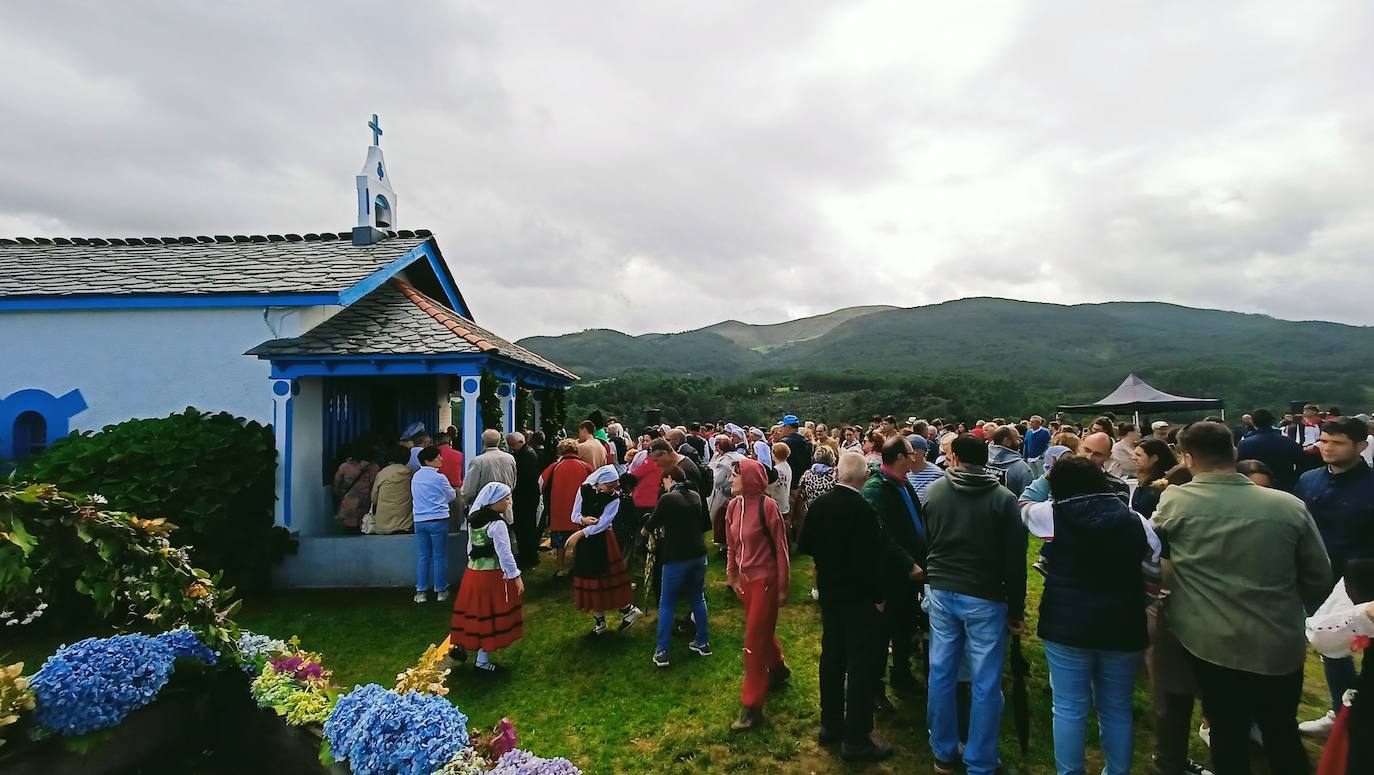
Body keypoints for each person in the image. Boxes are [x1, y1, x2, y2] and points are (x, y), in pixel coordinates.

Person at [1153, 421, 1331, 775]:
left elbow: (1155, 555)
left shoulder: (1176, 500)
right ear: (1234, 453)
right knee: (1280, 728)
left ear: (1186, 458)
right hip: (1278, 638)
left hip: (1211, 641)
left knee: (1227, 728)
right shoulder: (1288, 505)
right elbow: (1319, 575)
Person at [801, 451, 923, 762]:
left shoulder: (821, 505)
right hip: (860, 600)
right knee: (861, 667)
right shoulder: (863, 510)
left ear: (837, 474)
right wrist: (879, 597)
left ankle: (830, 724)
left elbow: (806, 545)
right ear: (863, 477)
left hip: (831, 595)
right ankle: (855, 738)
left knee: (831, 659)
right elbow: (874, 560)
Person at [1037, 457, 1155, 775]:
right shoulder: (1135, 520)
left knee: (1068, 707)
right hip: (1122, 622)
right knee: (1116, 708)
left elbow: (1023, 507)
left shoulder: (1051, 514)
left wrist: (1044, 485)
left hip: (1067, 624)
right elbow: (1154, 559)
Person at [921, 434, 1027, 775]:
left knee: (942, 670)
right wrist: (1016, 608)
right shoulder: (1003, 498)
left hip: (941, 589)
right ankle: (980, 761)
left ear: (953, 457)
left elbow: (928, 540)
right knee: (985, 680)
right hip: (984, 594)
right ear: (986, 459)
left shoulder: (934, 492)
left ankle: (943, 751)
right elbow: (1015, 560)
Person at [1295, 416, 1374, 738]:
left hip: (1360, 581)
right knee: (1331, 647)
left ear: (1361, 447)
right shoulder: (1309, 479)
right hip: (1314, 576)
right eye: (1324, 441)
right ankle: (1339, 713)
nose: (1327, 448)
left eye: (1337, 442)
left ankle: (1360, 715)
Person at [725, 458, 792, 733]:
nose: (730, 479)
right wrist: (731, 574)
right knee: (761, 630)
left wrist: (783, 586)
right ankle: (777, 668)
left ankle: (752, 706)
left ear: (750, 478)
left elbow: (781, 549)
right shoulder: (732, 506)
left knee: (752, 642)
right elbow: (731, 545)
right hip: (745, 582)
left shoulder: (768, 507)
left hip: (765, 581)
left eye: (735, 475)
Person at [861, 435, 929, 699]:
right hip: (890, 573)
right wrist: (907, 562)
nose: (914, 457)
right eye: (911, 453)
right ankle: (875, 688)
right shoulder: (876, 489)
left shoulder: (902, 482)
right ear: (900, 457)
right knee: (882, 631)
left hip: (910, 570)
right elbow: (880, 534)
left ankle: (901, 674)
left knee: (905, 624)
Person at [449, 482, 524, 673]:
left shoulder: (474, 520)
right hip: (490, 576)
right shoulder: (497, 524)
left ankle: (464, 646)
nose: (508, 502)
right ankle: (482, 659)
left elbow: (470, 548)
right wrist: (515, 576)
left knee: (473, 613)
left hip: (473, 573)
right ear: (495, 501)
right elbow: (505, 554)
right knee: (489, 614)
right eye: (506, 499)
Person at [642, 465, 711, 668]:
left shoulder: (668, 499)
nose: (662, 485)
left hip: (676, 557)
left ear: (669, 478)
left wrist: (644, 534)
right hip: (699, 554)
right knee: (698, 598)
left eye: (663, 481)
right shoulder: (695, 496)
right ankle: (703, 642)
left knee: (667, 604)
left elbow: (650, 526)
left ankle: (662, 652)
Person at [564, 465, 644, 635]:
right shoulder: (584, 490)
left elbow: (604, 523)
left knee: (607, 578)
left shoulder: (614, 499)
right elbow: (574, 514)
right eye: (609, 486)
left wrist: (581, 533)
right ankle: (600, 621)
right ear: (599, 483)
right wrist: (583, 519)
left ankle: (628, 610)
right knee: (589, 577)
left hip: (603, 541)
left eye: (615, 486)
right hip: (588, 541)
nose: (613, 489)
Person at [540, 438, 594, 577]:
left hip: (559, 510)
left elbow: (540, 483)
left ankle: (560, 568)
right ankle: (577, 566)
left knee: (559, 543)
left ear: (561, 451)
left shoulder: (555, 466)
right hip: (579, 509)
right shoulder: (585, 466)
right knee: (579, 539)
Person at [412, 446, 457, 603]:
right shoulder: (440, 478)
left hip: (420, 520)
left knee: (423, 556)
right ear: (428, 460)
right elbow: (451, 495)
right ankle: (440, 590)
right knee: (439, 556)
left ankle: (421, 591)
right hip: (438, 519)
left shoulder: (416, 477)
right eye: (437, 457)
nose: (441, 459)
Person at [1236, 409, 1303, 492]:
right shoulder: (1289, 442)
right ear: (1271, 421)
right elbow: (1301, 464)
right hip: (1285, 487)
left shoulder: (1244, 444)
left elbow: (1239, 467)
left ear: (1253, 422)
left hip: (1255, 488)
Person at [461, 429, 517, 526]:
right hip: (505, 508)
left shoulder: (478, 461)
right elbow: (513, 482)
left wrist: (467, 502)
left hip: (483, 511)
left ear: (483, 442)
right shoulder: (510, 458)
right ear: (499, 441)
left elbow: (469, 490)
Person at [507, 432, 542, 569]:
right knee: (527, 528)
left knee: (525, 528)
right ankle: (529, 555)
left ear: (519, 442)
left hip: (525, 498)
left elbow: (524, 478)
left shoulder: (525, 455)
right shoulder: (528, 453)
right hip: (529, 497)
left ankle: (528, 556)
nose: (511, 448)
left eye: (512, 445)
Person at [779, 415, 813, 542]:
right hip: (803, 482)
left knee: (788, 514)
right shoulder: (806, 441)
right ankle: (802, 540)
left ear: (788, 427)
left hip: (791, 483)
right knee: (801, 514)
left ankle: (786, 543)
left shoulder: (785, 442)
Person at [368, 445, 415, 535]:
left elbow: (374, 498)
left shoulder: (383, 473)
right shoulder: (410, 474)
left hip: (383, 524)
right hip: (404, 524)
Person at [1130, 439, 1178, 519]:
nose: (1133, 458)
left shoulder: (1163, 485)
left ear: (1154, 458)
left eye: (1138, 455)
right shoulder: (1143, 482)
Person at [333, 448, 379, 530]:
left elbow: (336, 484)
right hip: (366, 502)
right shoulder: (374, 468)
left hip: (349, 502)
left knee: (347, 529)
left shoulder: (345, 467)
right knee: (364, 526)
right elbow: (376, 486)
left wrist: (341, 495)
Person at [987, 425, 1033, 498]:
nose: (1020, 442)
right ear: (1007, 441)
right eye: (1017, 439)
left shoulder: (982, 460)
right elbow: (1027, 500)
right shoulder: (1022, 468)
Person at [904, 434, 943, 504]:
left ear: (923, 451)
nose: (908, 452)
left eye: (912, 448)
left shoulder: (937, 474)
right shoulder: (903, 473)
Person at [435, 432, 465, 516]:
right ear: (450, 442)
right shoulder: (460, 455)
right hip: (456, 490)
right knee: (456, 522)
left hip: (437, 491)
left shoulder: (433, 457)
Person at [768, 441, 792, 530]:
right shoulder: (787, 466)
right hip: (784, 501)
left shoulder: (777, 470)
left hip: (777, 503)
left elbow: (770, 487)